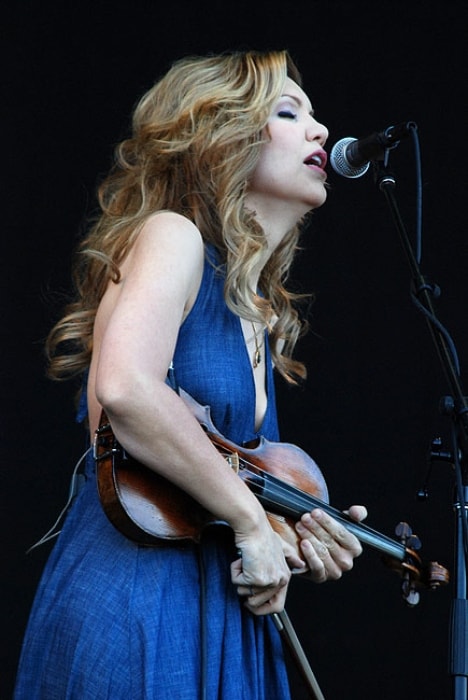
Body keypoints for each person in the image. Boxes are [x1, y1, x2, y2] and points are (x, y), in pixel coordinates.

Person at [14, 50, 367, 699]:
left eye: (315, 114)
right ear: (219, 135)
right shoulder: (173, 236)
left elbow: (214, 482)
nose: (321, 130)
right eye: (289, 113)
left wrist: (293, 538)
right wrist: (252, 520)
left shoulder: (256, 312)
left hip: (221, 615)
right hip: (142, 599)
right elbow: (126, 387)